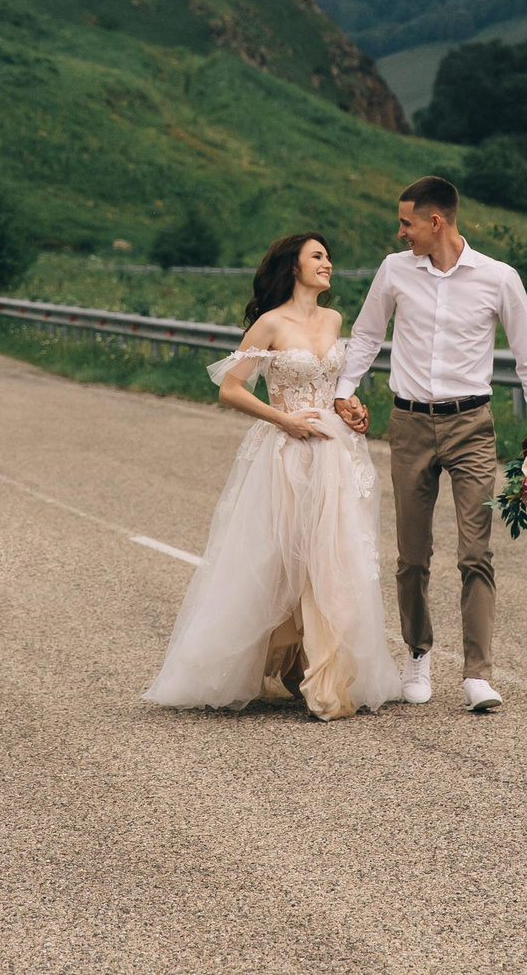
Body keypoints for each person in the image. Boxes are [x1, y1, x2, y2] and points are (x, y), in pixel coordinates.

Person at [143, 232, 404, 720]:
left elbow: (336, 388)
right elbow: (231, 388)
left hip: (334, 450)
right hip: (285, 451)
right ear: (293, 267)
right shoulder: (269, 323)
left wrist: (353, 412)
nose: (329, 263)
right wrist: (281, 418)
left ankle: (325, 676)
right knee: (281, 558)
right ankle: (282, 664)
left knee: (335, 559)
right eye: (318, 257)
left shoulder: (333, 319)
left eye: (327, 256)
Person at [334, 176, 527, 714]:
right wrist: (344, 389)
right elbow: (365, 335)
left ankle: (478, 674)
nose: (400, 231)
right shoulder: (393, 270)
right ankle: (417, 652)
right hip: (409, 425)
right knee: (412, 556)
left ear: (437, 222)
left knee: (476, 550)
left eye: (406, 222)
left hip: (472, 426)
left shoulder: (499, 279)